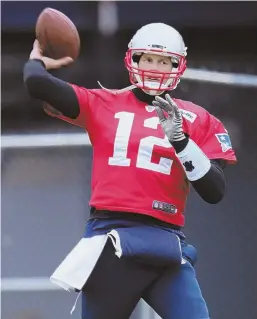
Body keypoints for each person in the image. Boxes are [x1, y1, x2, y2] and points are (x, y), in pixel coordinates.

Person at [23, 22, 237, 319]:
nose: (154, 67)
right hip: (113, 240)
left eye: (164, 61)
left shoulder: (197, 119)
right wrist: (38, 60)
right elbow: (37, 83)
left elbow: (214, 190)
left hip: (167, 244)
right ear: (133, 60)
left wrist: (180, 140)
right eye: (148, 58)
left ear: (178, 65)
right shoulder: (103, 103)